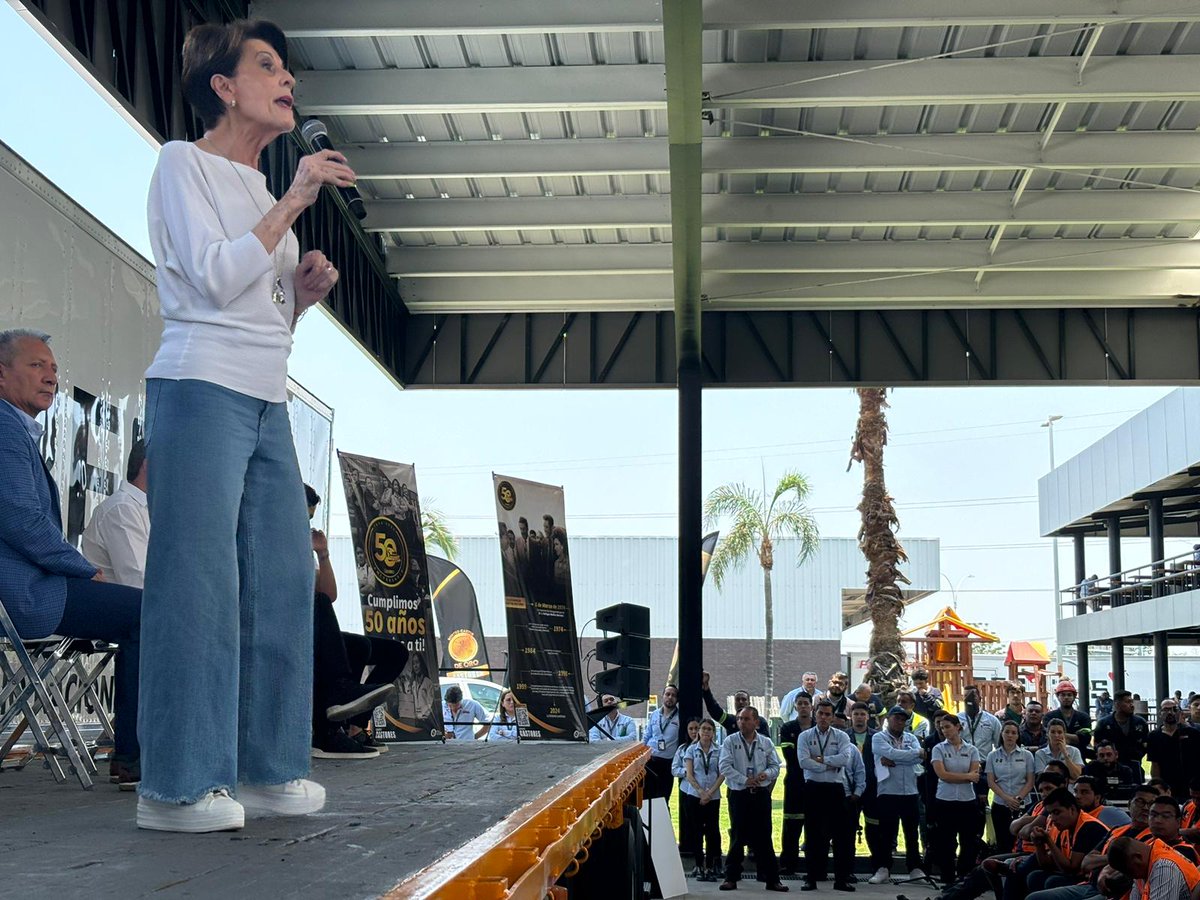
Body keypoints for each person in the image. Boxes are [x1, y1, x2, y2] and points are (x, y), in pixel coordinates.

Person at [135, 18, 353, 832]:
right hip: (198, 388)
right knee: (200, 586)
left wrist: (298, 298)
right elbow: (211, 277)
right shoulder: (181, 164)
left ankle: (268, 770)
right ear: (223, 87)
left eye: (288, 69)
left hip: (266, 397)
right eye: (268, 66)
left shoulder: (265, 196)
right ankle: (179, 787)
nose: (287, 80)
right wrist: (297, 198)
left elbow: (257, 309)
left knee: (285, 581)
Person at [0, 329, 143, 788]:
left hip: (32, 586)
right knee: (149, 614)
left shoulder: (16, 428)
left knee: (144, 612)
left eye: (54, 369)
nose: (51, 378)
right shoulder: (4, 429)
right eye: (36, 366)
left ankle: (133, 753)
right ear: (2, 376)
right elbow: (21, 520)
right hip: (24, 594)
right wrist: (86, 569)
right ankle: (136, 756)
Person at [306, 484, 401, 760]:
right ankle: (331, 725)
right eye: (305, 517)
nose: (308, 525)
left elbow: (329, 594)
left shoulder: (299, 547)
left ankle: (352, 725)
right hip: (283, 627)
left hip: (312, 625)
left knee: (388, 651)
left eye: (311, 519)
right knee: (356, 645)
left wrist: (323, 555)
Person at [718, 707, 788, 892]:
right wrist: (744, 780)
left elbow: (775, 765)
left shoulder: (765, 742)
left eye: (746, 719)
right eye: (740, 719)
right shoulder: (730, 741)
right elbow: (724, 765)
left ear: (756, 722)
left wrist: (765, 775)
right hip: (739, 794)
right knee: (737, 836)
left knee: (764, 836)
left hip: (760, 794)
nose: (742, 722)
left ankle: (772, 879)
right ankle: (731, 878)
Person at [799, 699, 855, 892]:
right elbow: (804, 762)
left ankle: (841, 879)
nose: (823, 717)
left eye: (827, 714)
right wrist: (831, 764)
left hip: (835, 788)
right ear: (815, 714)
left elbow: (845, 759)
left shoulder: (841, 737)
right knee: (813, 835)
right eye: (820, 713)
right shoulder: (805, 736)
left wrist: (822, 759)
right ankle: (811, 878)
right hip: (813, 788)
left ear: (832, 717)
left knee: (841, 836)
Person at [81, 439, 149, 589]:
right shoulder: (122, 508)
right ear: (148, 465)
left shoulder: (140, 508)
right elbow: (138, 579)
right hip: (123, 608)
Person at [871, 705, 927, 884]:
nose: (900, 722)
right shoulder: (879, 737)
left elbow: (920, 757)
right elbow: (890, 753)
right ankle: (883, 868)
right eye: (896, 718)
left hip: (910, 791)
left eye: (903, 719)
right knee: (886, 833)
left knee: (912, 833)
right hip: (888, 791)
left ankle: (915, 868)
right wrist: (909, 755)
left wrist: (898, 758)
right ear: (889, 718)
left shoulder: (911, 738)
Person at [1025, 788, 1111, 896]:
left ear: (1072, 809)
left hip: (1096, 881)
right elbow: (1046, 865)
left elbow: (1072, 869)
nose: (1053, 818)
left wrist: (1049, 841)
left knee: (1053, 881)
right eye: (1051, 813)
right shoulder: (1065, 827)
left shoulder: (1088, 826)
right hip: (1078, 876)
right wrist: (1039, 844)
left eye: (1057, 812)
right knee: (1035, 876)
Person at [932, 713, 984, 885]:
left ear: (958, 727)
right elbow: (942, 774)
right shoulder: (939, 749)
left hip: (967, 801)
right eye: (942, 728)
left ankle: (964, 876)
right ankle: (947, 877)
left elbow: (975, 776)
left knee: (968, 841)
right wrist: (965, 776)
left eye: (948, 727)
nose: (945, 730)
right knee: (946, 841)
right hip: (945, 800)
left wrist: (965, 776)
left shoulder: (971, 750)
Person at [685, 719, 725, 882]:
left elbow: (722, 774)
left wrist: (710, 793)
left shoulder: (719, 750)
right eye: (703, 729)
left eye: (709, 729)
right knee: (696, 832)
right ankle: (699, 865)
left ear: (713, 732)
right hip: (694, 795)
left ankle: (710, 866)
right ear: (699, 731)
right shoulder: (691, 750)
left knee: (711, 831)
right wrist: (701, 792)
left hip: (713, 796)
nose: (706, 732)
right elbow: (689, 774)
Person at [779, 693, 814, 876]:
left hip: (815, 784)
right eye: (799, 703)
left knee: (815, 826)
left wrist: (812, 759)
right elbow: (792, 758)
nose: (803, 706)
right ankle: (788, 864)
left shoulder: (819, 727)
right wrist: (814, 758)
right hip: (794, 783)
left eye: (806, 703)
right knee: (791, 825)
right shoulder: (787, 728)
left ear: (811, 706)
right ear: (795, 706)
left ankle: (813, 865)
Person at [989, 721, 1037, 853]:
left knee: (1021, 841)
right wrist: (1006, 798)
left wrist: (1017, 798)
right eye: (1007, 732)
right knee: (1002, 841)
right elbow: (991, 781)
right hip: (1000, 803)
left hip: (1022, 804)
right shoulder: (992, 756)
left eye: (1013, 733)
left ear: (1018, 735)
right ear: (1001, 734)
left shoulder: (1026, 755)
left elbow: (1030, 781)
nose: (1010, 735)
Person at [1107, 835, 1200, 900]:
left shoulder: (1165, 867)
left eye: (1128, 872)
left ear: (1137, 858)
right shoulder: (1144, 859)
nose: (1131, 877)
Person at [1147, 699, 1200, 800]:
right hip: (1166, 785)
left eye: (1174, 709)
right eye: (1166, 710)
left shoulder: (1193, 733)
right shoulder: (1154, 736)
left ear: (1180, 713)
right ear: (1160, 714)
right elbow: (1155, 764)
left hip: (1190, 785)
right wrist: (1156, 785)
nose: (1170, 712)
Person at [1093, 691, 1150, 776]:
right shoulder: (1103, 724)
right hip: (1109, 770)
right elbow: (1097, 745)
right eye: (1127, 702)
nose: (1132, 705)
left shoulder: (1140, 723)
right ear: (1117, 704)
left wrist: (1138, 754)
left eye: (1132, 702)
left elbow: (1145, 744)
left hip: (1134, 767)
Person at [643, 684, 682, 803]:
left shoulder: (680, 717)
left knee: (663, 799)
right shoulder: (654, 714)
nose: (670, 697)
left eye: (673, 695)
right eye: (667, 694)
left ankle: (662, 821)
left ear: (677, 699)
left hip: (667, 764)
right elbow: (647, 735)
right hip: (650, 761)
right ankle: (647, 822)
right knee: (646, 798)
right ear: (663, 696)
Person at [674, 717, 701, 873]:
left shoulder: (712, 748)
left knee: (711, 830)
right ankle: (697, 863)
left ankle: (713, 863)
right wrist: (687, 772)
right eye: (691, 729)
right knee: (694, 828)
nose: (694, 732)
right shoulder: (683, 749)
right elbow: (674, 769)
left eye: (696, 728)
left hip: (707, 793)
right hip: (688, 791)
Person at [703, 676, 769, 737]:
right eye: (738, 700)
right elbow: (715, 711)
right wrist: (706, 690)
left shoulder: (760, 722)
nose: (740, 702)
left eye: (744, 699)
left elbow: (767, 744)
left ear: (749, 703)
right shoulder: (730, 721)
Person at [1146, 797, 1200, 864]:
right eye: (1153, 815)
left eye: (1165, 816)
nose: (1158, 820)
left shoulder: (1185, 852)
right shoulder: (1146, 840)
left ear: (1178, 822)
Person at [1046, 681, 1094, 753]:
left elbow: (1086, 739)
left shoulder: (1083, 717)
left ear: (1074, 696)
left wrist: (1059, 736)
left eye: (1069, 695)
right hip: (1055, 755)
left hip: (1080, 755)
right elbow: (1047, 737)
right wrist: (1076, 737)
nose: (1066, 697)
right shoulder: (1049, 716)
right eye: (1063, 695)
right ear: (1057, 697)